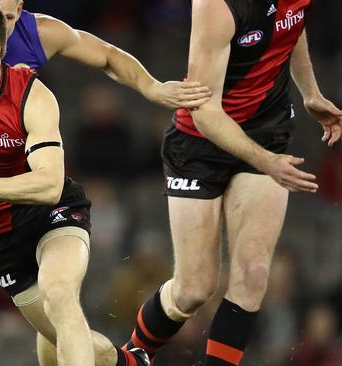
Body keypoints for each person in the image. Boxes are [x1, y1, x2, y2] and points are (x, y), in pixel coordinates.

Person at [0, 0, 211, 364]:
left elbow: (49, 183)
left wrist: (152, 88)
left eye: (7, 18)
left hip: (38, 199)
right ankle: (128, 362)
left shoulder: (34, 88)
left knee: (59, 295)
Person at [121, 0, 342, 365]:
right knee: (194, 289)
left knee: (253, 274)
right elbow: (205, 110)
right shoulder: (217, 6)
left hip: (267, 132)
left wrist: (311, 93)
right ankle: (134, 354)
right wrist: (267, 162)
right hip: (200, 143)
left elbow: (292, 25)